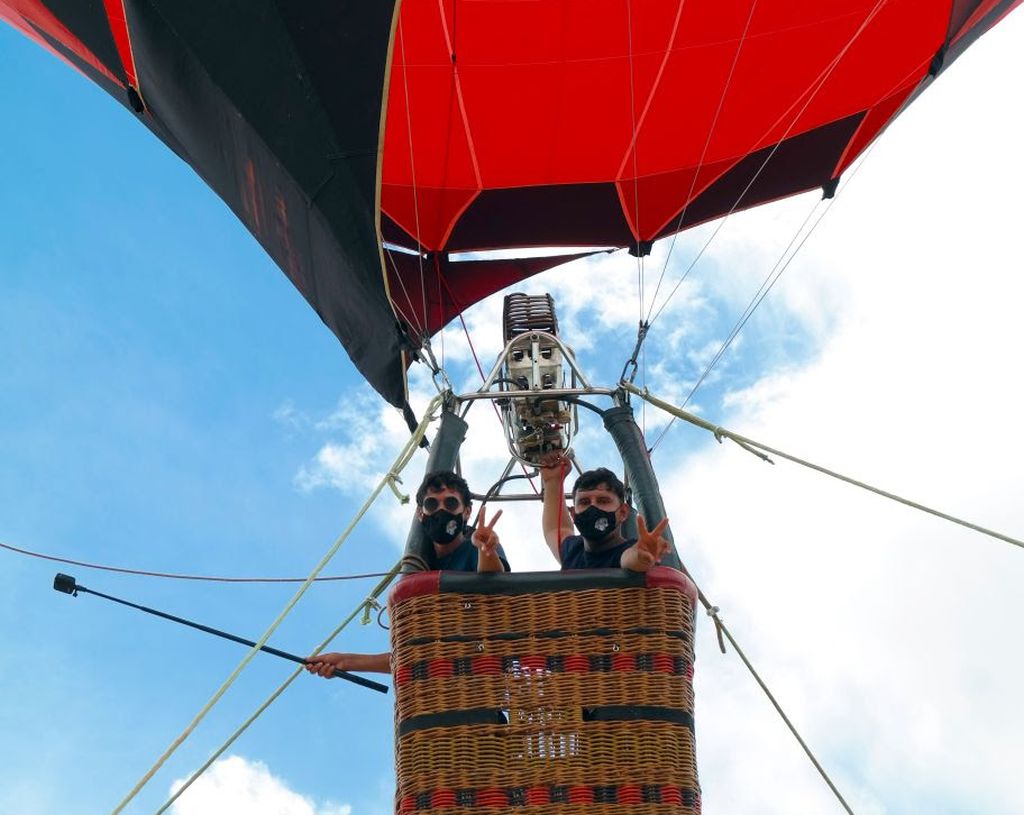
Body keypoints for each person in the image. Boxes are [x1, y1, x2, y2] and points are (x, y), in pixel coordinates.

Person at [305, 469, 507, 677]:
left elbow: (494, 584)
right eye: (432, 504)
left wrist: (487, 551)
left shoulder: (477, 544)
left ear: (466, 512)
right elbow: (410, 657)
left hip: (481, 671)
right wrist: (345, 661)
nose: (441, 510)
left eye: (451, 503)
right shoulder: (421, 567)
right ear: (420, 513)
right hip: (439, 688)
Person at [540, 451, 670, 572]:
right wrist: (552, 481)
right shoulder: (573, 550)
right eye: (584, 502)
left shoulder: (628, 550)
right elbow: (555, 530)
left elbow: (629, 560)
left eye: (603, 501)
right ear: (574, 514)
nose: (593, 507)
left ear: (623, 512)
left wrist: (641, 554)